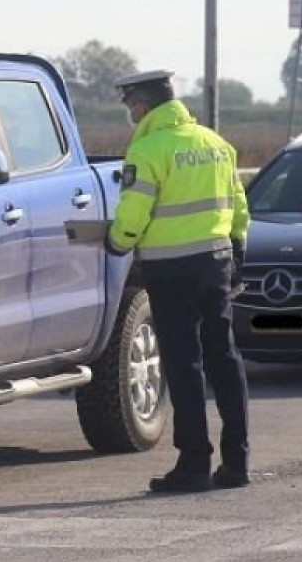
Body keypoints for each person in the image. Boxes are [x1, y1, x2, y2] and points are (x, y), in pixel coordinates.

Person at [105, 69, 252, 493]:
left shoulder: (149, 149)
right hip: (216, 263)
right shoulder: (215, 144)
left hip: (171, 271)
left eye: (132, 105)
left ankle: (193, 464)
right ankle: (237, 461)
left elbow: (133, 216)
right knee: (225, 358)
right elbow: (239, 207)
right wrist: (237, 249)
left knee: (184, 366)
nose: (131, 113)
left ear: (144, 105)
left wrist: (116, 242)